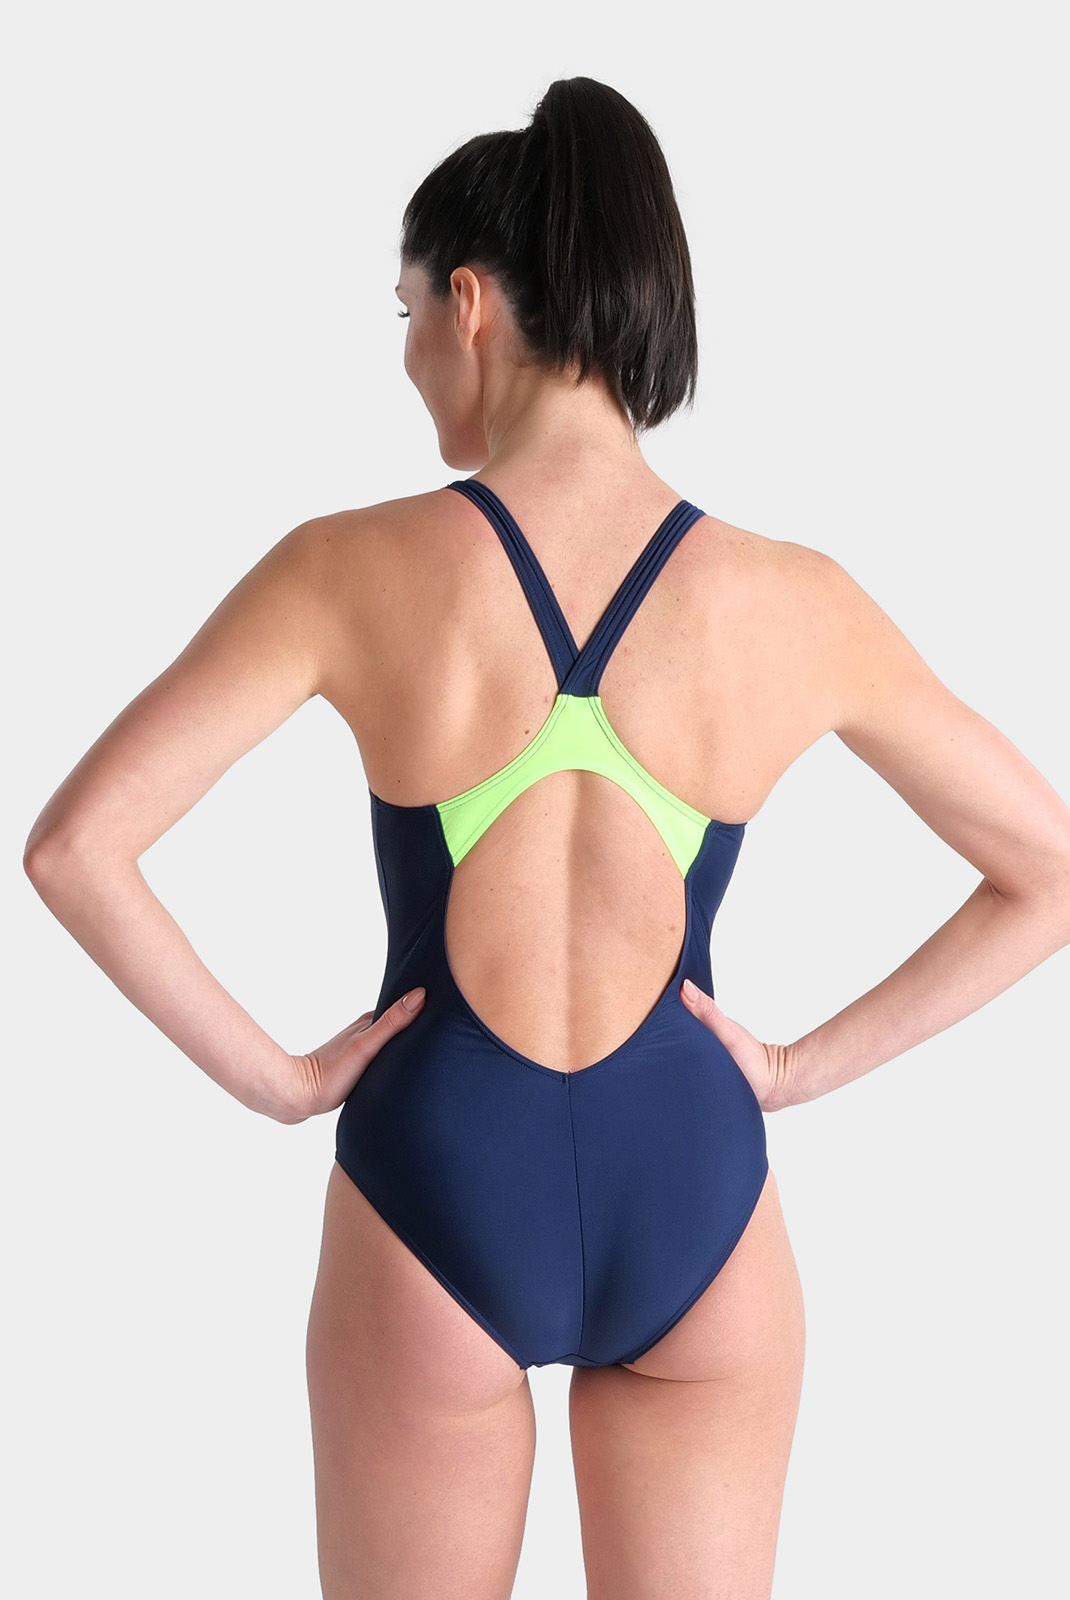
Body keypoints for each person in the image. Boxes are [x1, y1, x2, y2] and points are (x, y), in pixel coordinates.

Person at [22, 74, 1070, 1600]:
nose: (407, 358)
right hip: (694, 1182)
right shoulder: (792, 601)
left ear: (467, 305)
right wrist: (791, 1070)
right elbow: (1046, 871)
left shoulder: (347, 569)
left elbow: (75, 849)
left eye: (403, 316)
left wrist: (281, 1081)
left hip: (433, 1179)